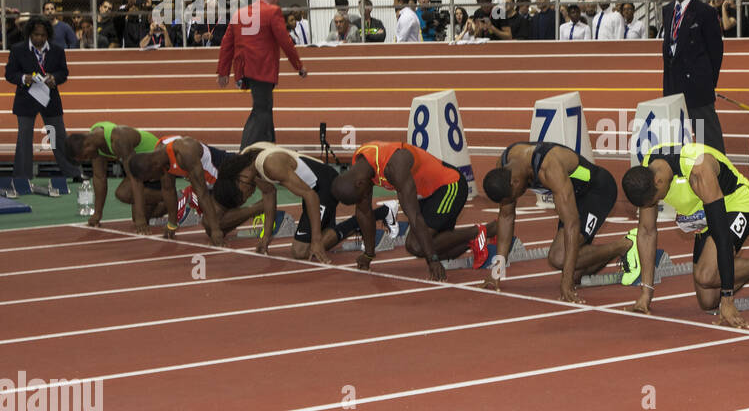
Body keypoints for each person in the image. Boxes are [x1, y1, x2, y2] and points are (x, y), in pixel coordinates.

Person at [621, 142, 749, 329]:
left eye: (657, 199)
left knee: (707, 275)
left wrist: (727, 299)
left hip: (738, 203)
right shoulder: (648, 171)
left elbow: (722, 237)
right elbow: (646, 231)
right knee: (708, 300)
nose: (658, 202)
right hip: (706, 213)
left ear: (658, 182)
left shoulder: (698, 170)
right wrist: (646, 293)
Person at [482, 141, 634, 302]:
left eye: (512, 197)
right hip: (570, 197)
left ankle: (626, 245)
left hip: (596, 191)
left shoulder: (548, 168)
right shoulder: (504, 167)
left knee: (559, 258)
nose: (513, 200)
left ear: (515, 182)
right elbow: (506, 217)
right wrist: (497, 271)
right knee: (575, 270)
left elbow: (572, 223)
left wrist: (565, 282)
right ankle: (614, 250)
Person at [330, 141, 494, 281]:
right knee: (418, 246)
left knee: (419, 246)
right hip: (428, 194)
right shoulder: (359, 168)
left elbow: (414, 216)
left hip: (450, 186)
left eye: (363, 195)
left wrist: (433, 260)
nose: (365, 197)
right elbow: (364, 212)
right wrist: (368, 254)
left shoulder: (395, 165)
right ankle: (475, 238)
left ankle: (479, 232)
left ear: (359, 183)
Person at [213, 142, 394, 263]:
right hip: (312, 186)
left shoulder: (269, 165)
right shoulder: (249, 158)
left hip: (323, 186)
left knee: (302, 251)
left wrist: (315, 241)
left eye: (243, 194)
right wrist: (265, 237)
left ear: (240, 178)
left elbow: (311, 197)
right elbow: (269, 194)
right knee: (313, 242)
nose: (247, 196)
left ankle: (377, 216)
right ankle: (357, 222)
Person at [216, 0, 307, 148]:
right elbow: (285, 41)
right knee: (261, 110)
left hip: (244, 69)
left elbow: (227, 43)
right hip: (262, 69)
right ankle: (245, 150)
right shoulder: (272, 12)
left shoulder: (240, 13)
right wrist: (298, 66)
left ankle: (269, 143)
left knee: (265, 106)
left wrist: (223, 72)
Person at [126, 135, 256, 243]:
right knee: (212, 224)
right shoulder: (160, 156)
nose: (152, 180)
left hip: (231, 176)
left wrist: (216, 230)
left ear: (154, 166)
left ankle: (261, 208)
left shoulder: (185, 152)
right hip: (209, 184)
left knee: (213, 227)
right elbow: (168, 190)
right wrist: (172, 223)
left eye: (150, 178)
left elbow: (202, 193)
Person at [5, 17, 82, 182]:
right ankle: (22, 177)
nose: (39, 38)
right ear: (29, 34)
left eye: (42, 35)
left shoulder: (56, 50)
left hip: (50, 99)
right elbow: (9, 74)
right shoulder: (18, 49)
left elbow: (64, 72)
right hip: (26, 100)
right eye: (35, 35)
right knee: (24, 138)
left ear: (48, 35)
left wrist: (55, 78)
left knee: (57, 137)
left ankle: (74, 172)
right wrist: (23, 78)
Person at [661, 0, 725, 152]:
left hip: (697, 85)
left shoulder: (705, 12)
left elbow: (716, 53)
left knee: (708, 138)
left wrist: (708, 83)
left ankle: (719, 171)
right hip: (673, 83)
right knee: (676, 135)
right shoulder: (667, 10)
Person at [62, 121, 163, 228]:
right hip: (142, 169)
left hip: (157, 161)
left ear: (87, 145)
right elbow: (99, 177)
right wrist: (97, 214)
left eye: (86, 156)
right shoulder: (95, 142)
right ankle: (169, 200)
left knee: (124, 194)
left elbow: (135, 178)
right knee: (142, 216)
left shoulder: (119, 139)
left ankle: (175, 197)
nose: (89, 159)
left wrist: (140, 217)